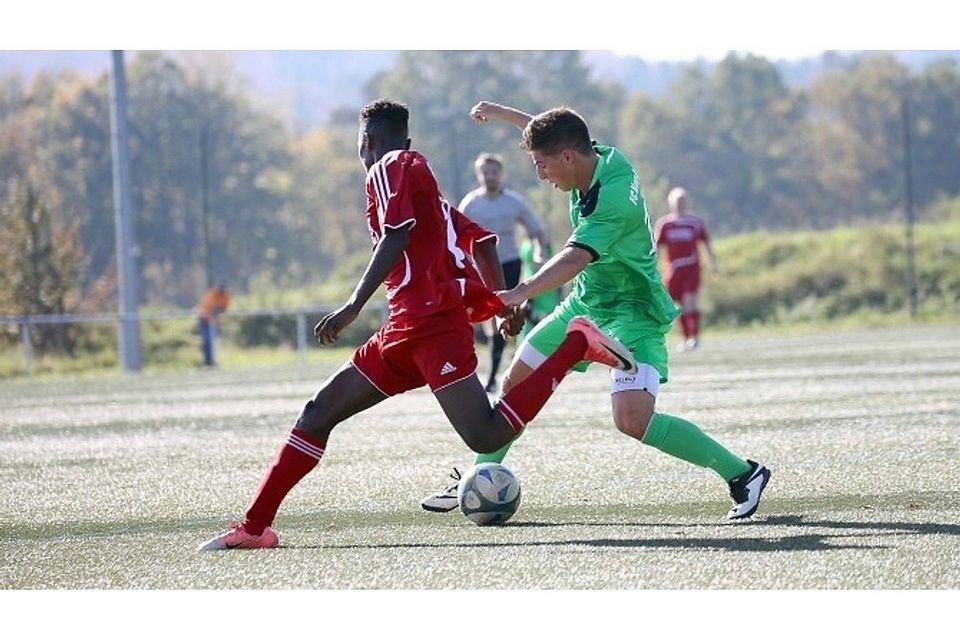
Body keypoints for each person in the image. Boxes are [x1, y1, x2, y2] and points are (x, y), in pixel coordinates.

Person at [197, 99, 636, 550]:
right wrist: (499, 304)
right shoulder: (428, 192)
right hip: (404, 329)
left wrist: (353, 305)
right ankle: (255, 527)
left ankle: (575, 344)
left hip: (433, 325)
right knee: (318, 412)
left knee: (486, 433)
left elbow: (396, 234)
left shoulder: (389, 166)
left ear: (367, 141)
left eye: (361, 144)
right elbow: (484, 242)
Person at [420, 101, 770, 521]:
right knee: (517, 383)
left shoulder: (611, 201)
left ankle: (743, 473)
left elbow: (574, 258)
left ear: (567, 158)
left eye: (542, 165)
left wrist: (520, 292)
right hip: (585, 304)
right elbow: (553, 132)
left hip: (632, 312)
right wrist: (502, 113)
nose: (540, 174)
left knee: (632, 420)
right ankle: (476, 478)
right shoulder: (599, 157)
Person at [460, 153, 547, 392]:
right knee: (492, 321)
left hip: (509, 264)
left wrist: (539, 251)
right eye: (485, 172)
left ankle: (502, 376)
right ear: (479, 175)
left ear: (501, 174)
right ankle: (492, 377)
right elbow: (455, 237)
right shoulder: (470, 204)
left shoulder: (513, 202)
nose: (490, 176)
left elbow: (536, 230)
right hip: (481, 270)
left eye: (494, 172)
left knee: (507, 315)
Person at [654, 187, 719, 351]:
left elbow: (706, 243)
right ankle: (685, 338)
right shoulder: (665, 224)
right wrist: (651, 267)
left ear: (687, 203)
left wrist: (713, 262)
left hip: (692, 269)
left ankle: (694, 337)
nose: (680, 204)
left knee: (690, 301)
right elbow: (657, 248)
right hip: (673, 271)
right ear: (670, 203)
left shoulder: (695, 223)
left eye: (682, 201)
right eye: (677, 201)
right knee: (677, 305)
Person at [197, 281, 230, 367]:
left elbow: (223, 308)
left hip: (212, 321)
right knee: (205, 341)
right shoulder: (211, 294)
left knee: (211, 341)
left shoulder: (225, 296)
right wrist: (209, 314)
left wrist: (217, 311)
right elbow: (206, 309)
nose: (220, 292)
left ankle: (212, 361)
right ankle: (207, 361)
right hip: (204, 320)